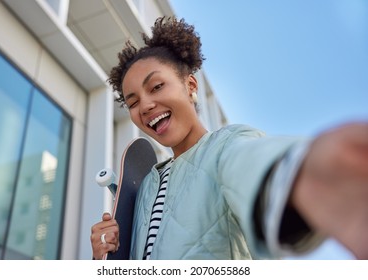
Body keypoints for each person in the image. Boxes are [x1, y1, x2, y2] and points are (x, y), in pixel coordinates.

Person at [90, 17, 368, 260]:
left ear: (190, 86)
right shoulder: (147, 184)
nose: (146, 105)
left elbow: (252, 162)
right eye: (133, 101)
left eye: (157, 86)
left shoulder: (226, 146)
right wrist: (107, 254)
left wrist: (306, 173)